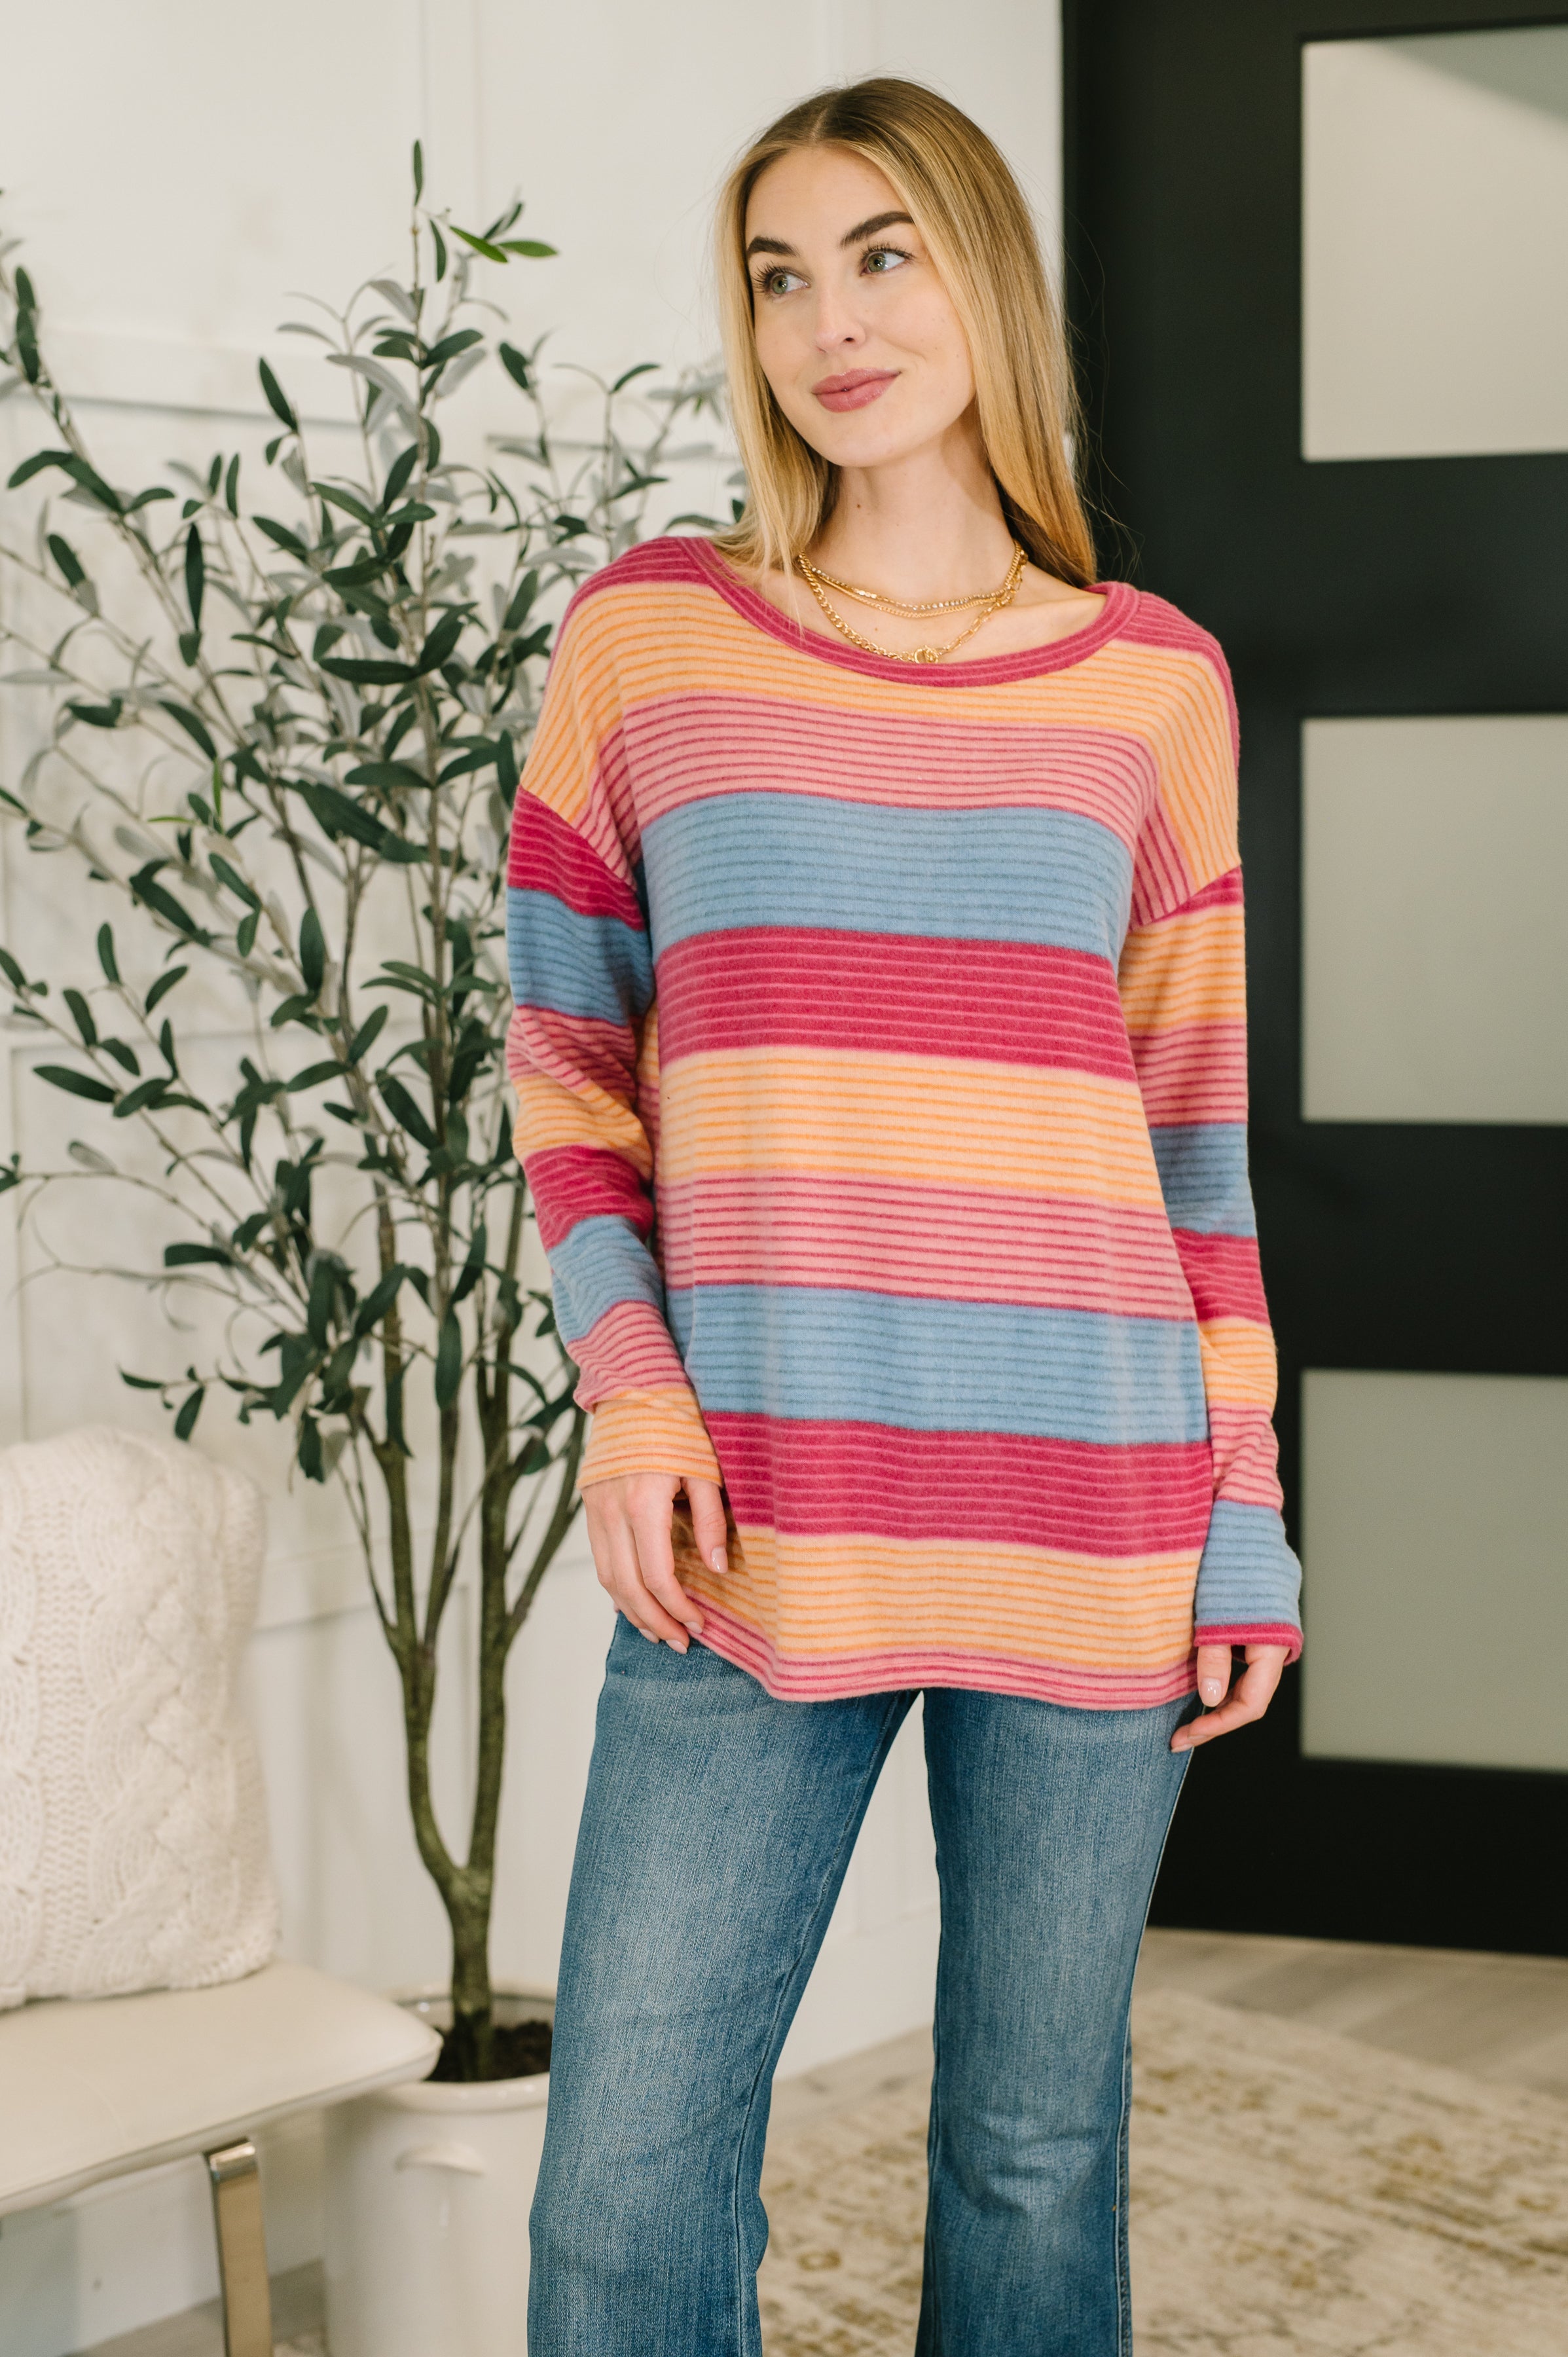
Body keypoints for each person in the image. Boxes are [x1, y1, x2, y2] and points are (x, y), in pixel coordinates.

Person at [508, 75, 1302, 2357]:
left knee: (1034, 2153)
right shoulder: (652, 642)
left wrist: (1237, 1497)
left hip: (1095, 1511)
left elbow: (1190, 1143)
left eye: (880, 255)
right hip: (753, 1509)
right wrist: (628, 1394)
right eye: (778, 273)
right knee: (624, 2178)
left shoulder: (1149, 682)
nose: (828, 322)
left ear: (982, 281)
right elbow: (568, 1068)